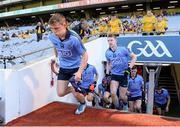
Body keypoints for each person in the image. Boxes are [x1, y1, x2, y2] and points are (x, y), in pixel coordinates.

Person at [48, 13, 88, 106]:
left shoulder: (74, 38)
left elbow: (85, 55)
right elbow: (55, 45)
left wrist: (79, 72)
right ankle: (72, 88)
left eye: (57, 28)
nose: (54, 32)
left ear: (64, 25)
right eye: (52, 29)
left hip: (75, 68)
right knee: (60, 93)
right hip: (64, 68)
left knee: (78, 94)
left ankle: (83, 104)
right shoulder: (52, 37)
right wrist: (56, 57)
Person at [105, 34, 137, 111]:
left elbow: (134, 57)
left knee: (122, 97)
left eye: (111, 40)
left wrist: (129, 68)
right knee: (113, 93)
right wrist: (107, 73)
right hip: (115, 75)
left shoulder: (123, 49)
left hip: (124, 75)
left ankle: (125, 104)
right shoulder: (107, 52)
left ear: (116, 40)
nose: (110, 42)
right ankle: (118, 108)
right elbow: (109, 63)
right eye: (108, 40)